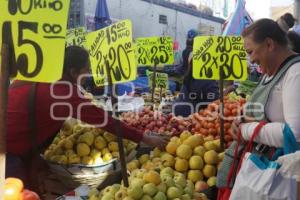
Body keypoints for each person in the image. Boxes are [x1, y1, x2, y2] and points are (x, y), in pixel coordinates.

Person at [6, 46, 168, 188]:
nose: (89, 74)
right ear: (73, 72)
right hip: (8, 152)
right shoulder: (63, 92)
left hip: (17, 145)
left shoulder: (38, 74)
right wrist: (145, 138)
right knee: (17, 191)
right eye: (86, 70)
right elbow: (105, 121)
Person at [231, 18, 300, 152]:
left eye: (250, 52)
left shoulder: (295, 73)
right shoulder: (269, 73)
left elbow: (294, 134)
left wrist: (245, 130)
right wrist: (242, 119)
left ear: (269, 44)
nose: (251, 60)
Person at [167, 29, 220, 117]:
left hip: (176, 113)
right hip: (188, 118)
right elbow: (215, 104)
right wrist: (228, 89)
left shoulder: (189, 76)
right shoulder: (208, 81)